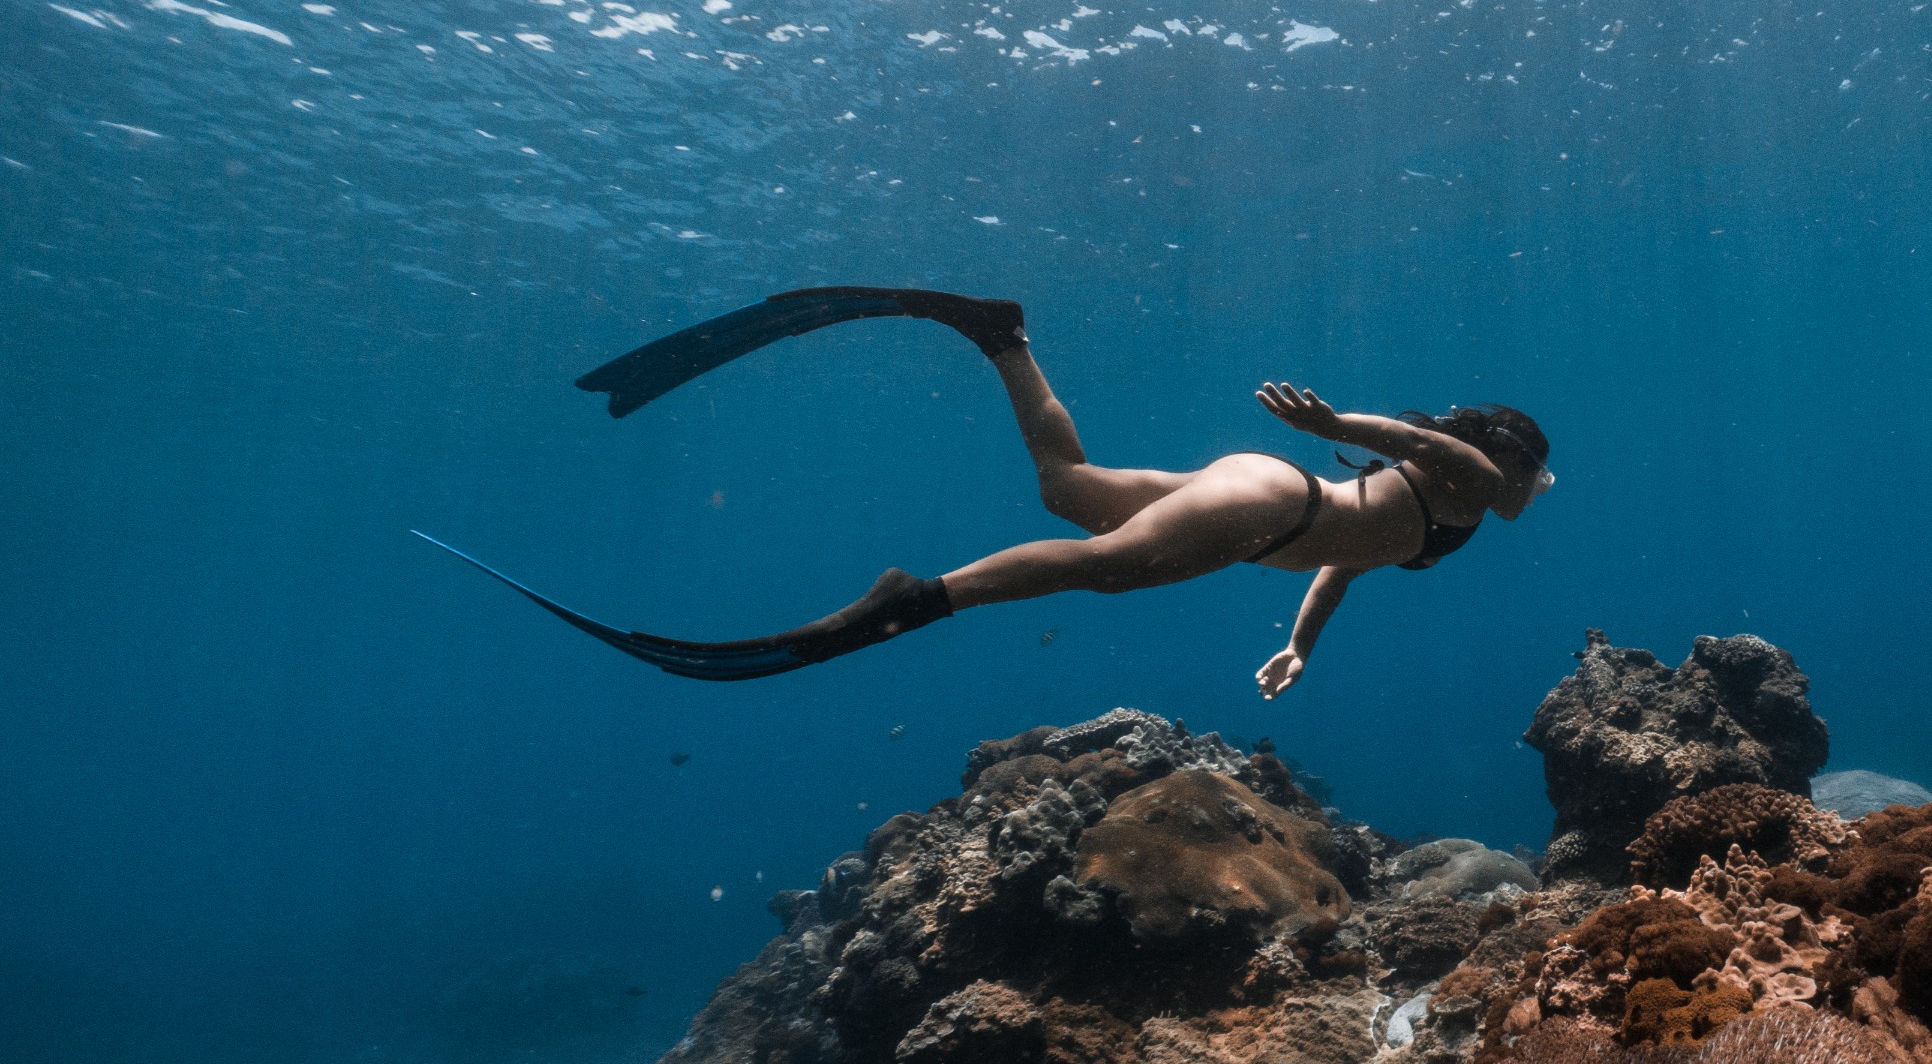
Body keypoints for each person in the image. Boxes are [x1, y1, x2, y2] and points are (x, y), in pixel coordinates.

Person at [420, 289, 1551, 692]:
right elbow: (1468, 470)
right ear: (1506, 452)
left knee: (1068, 489)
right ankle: (916, 599)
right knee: (1106, 572)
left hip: (1275, 511)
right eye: (1533, 466)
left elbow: (1345, 567)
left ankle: (997, 334)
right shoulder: (1471, 486)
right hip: (1275, 501)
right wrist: (1338, 424)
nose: (1538, 488)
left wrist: (1304, 642)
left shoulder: (1425, 513)